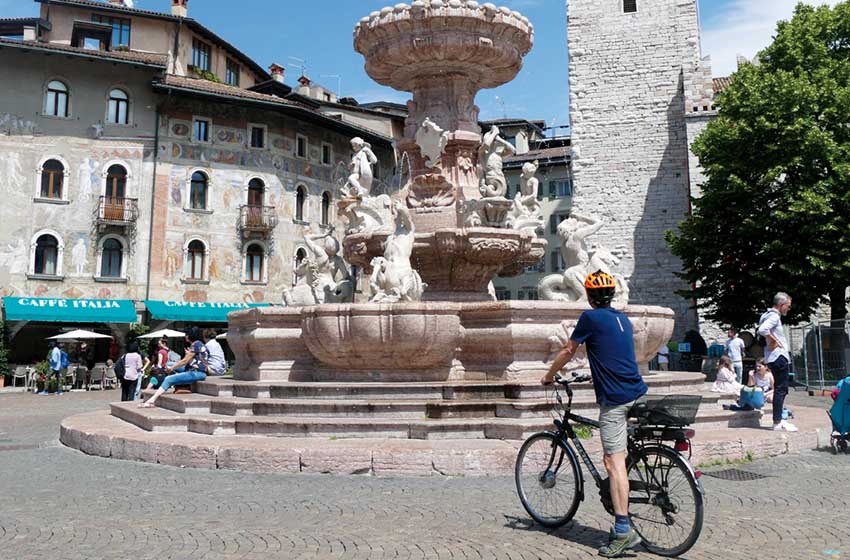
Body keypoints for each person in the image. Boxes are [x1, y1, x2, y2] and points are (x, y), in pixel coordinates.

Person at [541, 270, 647, 558]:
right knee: (618, 455)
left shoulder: (589, 318)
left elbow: (568, 349)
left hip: (615, 399)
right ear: (611, 295)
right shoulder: (621, 318)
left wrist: (549, 376)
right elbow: (611, 352)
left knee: (614, 463)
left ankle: (623, 531)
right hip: (636, 390)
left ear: (588, 295)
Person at [757, 292, 797, 431]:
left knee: (780, 389)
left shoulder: (766, 315)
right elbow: (762, 330)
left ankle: (778, 419)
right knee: (781, 390)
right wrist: (776, 341)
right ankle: (778, 421)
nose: (788, 309)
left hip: (772, 357)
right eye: (788, 306)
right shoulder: (774, 316)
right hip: (778, 357)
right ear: (781, 305)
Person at [138, 327, 208, 408]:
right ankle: (166, 381)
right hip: (194, 369)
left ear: (190, 336)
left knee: (169, 379)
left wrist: (172, 369)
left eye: (186, 335)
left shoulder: (195, 344)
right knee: (168, 364)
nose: (185, 336)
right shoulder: (199, 344)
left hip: (197, 372)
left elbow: (184, 361)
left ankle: (152, 400)